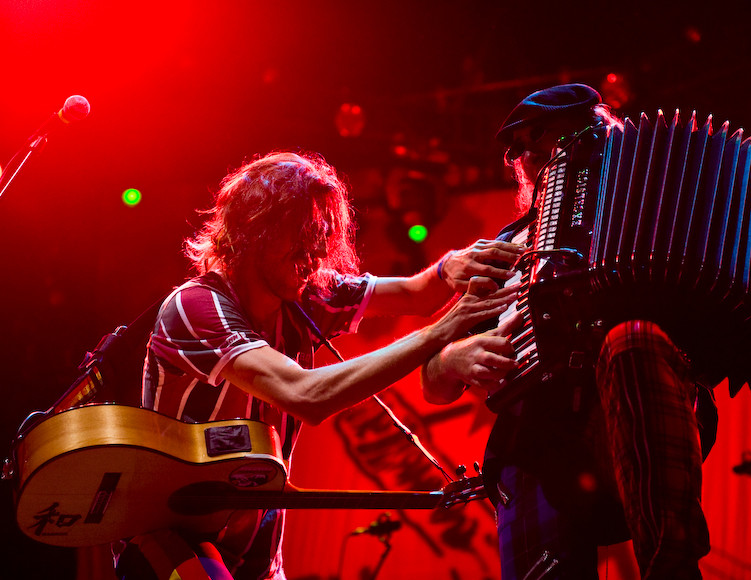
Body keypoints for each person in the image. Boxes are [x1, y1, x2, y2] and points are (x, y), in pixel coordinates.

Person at [421, 84, 751, 579]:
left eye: (556, 139)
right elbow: (431, 382)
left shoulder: (689, 197)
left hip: (651, 428)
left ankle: (672, 569)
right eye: (528, 147)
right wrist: (450, 361)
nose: (537, 156)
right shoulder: (508, 252)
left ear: (602, 135)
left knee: (634, 339)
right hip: (536, 444)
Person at [112, 150, 519, 580]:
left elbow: (415, 295)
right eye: (302, 234)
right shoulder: (196, 307)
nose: (315, 253)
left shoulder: (304, 295)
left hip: (257, 556)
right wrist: (441, 332)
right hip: (172, 543)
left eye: (321, 236)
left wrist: (448, 266)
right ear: (256, 227)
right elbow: (305, 395)